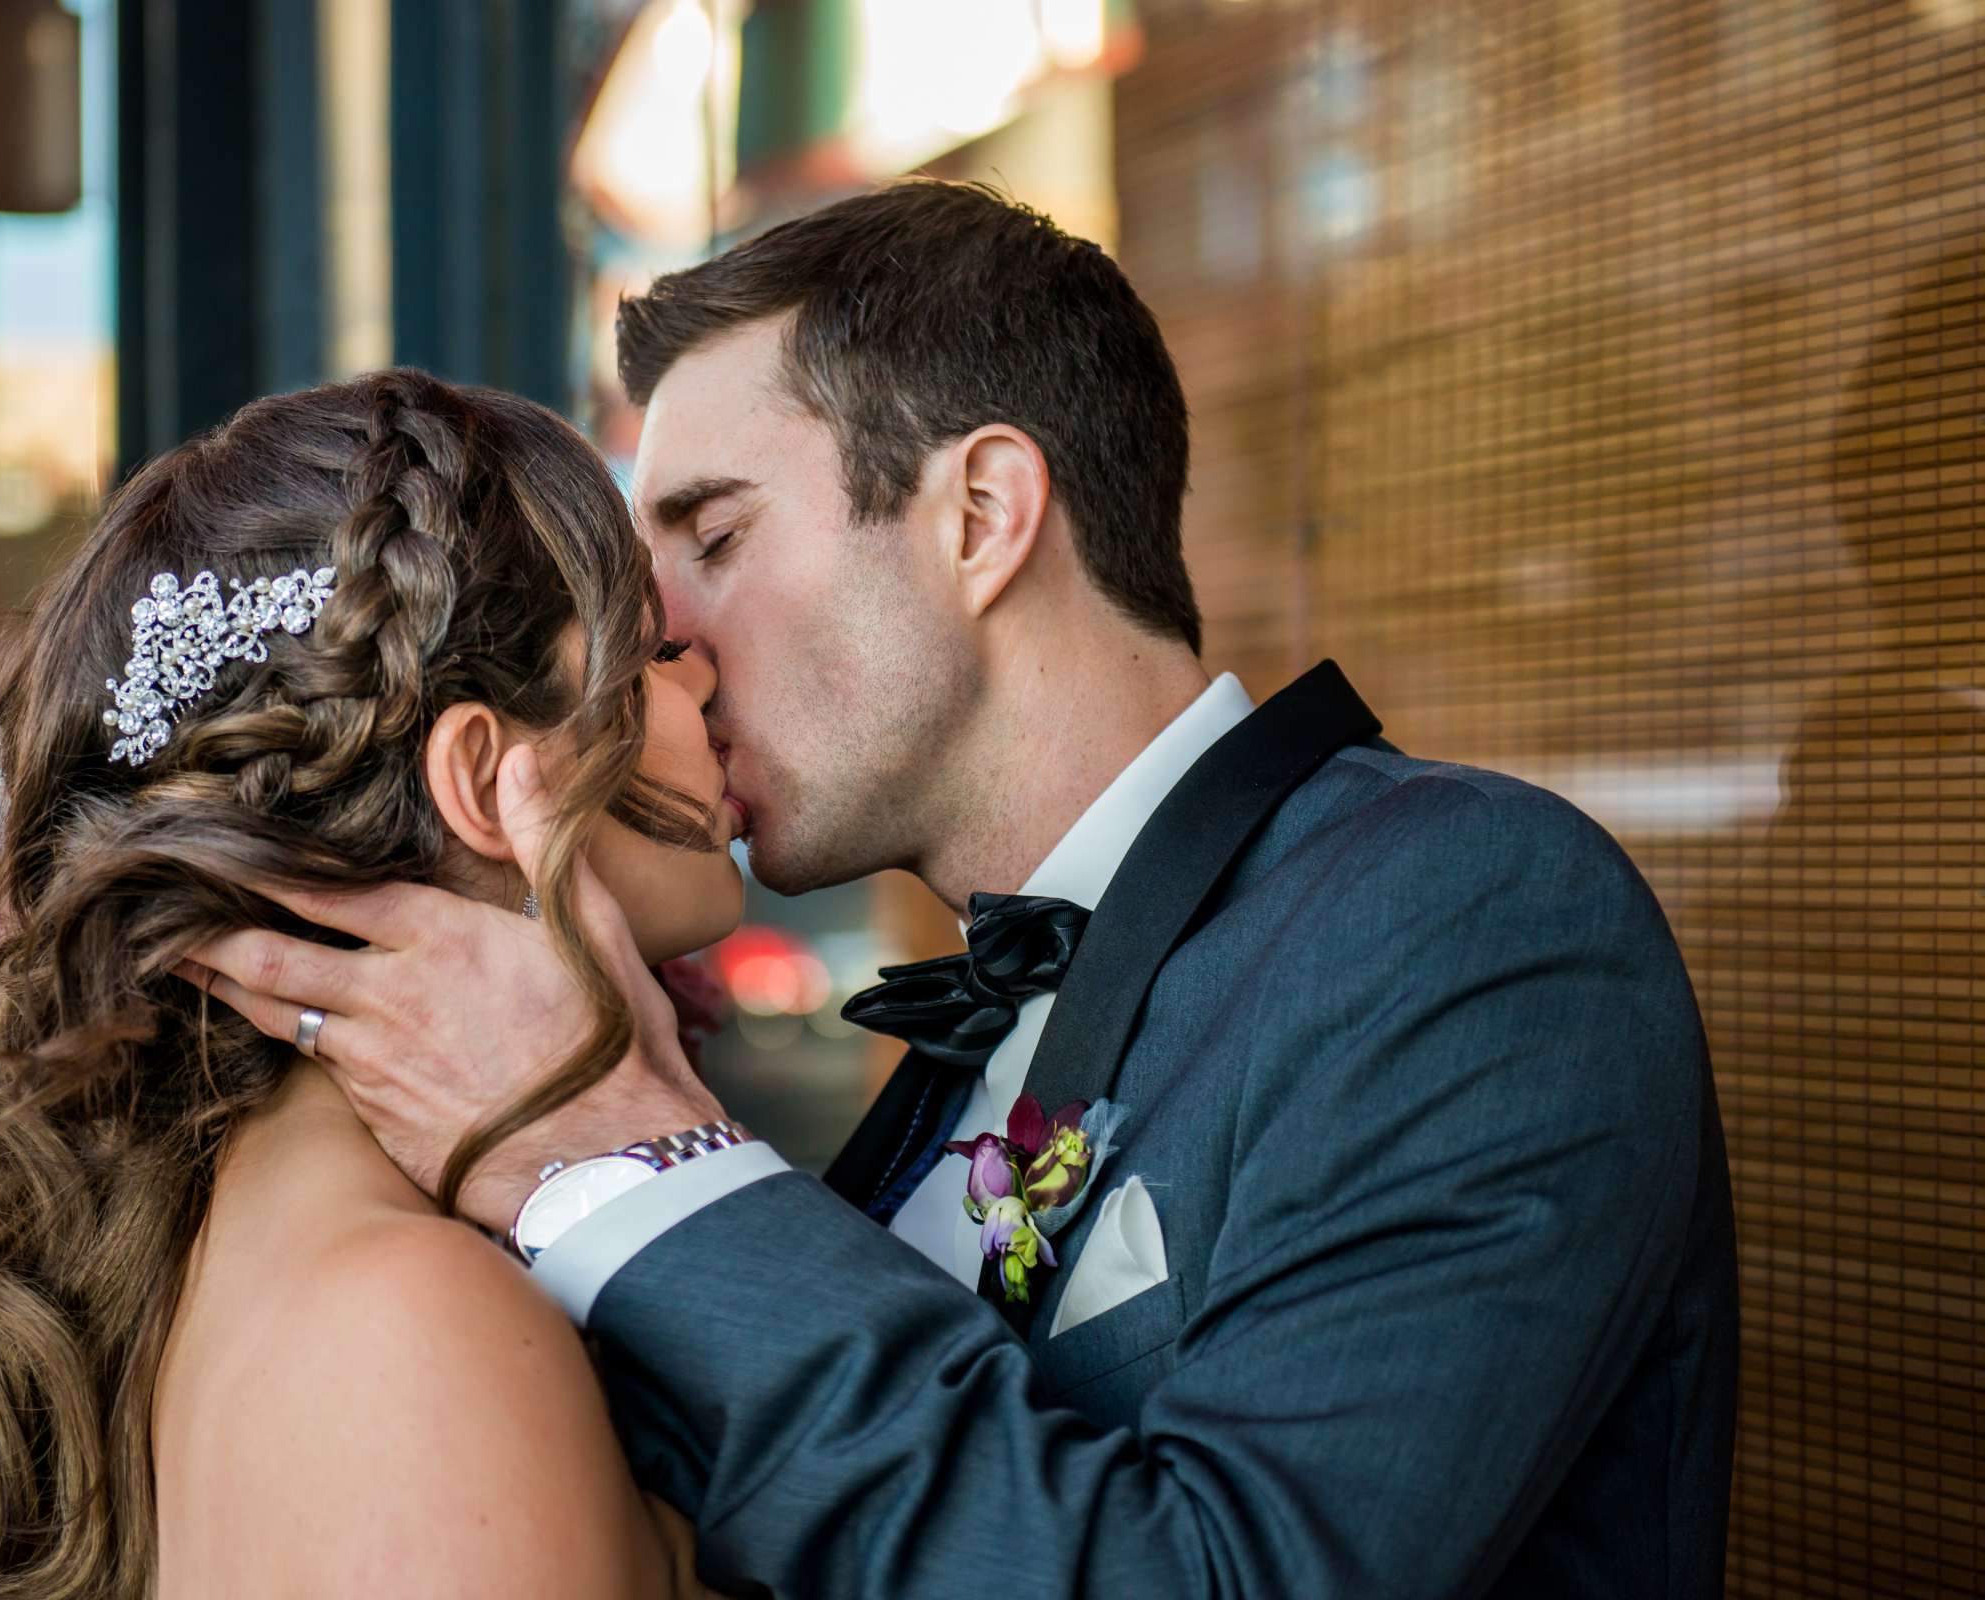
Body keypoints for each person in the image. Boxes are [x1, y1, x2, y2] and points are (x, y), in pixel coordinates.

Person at [192, 181, 1741, 1598]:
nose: (655, 636)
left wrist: (620, 1154)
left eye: (714, 533)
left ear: (983, 517)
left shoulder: (1470, 922)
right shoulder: (968, 1025)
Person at [0, 371, 741, 1598]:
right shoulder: (415, 1326)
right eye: (652, 654)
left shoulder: (251, 1229)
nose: (708, 685)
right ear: (486, 779)